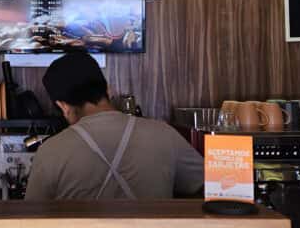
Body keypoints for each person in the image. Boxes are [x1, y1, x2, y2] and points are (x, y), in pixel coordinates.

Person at [24, 51, 204, 202]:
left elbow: (31, 217)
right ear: (109, 90)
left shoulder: (50, 151)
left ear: (63, 106)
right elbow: (209, 188)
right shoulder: (164, 134)